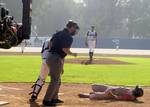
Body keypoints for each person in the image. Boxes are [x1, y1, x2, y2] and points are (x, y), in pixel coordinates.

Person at [42, 20, 79, 106]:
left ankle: (54, 98)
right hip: (56, 58)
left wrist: (52, 52)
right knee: (55, 80)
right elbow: (64, 49)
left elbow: (50, 43)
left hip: (51, 57)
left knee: (57, 80)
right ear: (72, 27)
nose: (75, 31)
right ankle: (47, 100)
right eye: (75, 28)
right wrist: (73, 54)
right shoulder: (69, 37)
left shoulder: (58, 33)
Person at [78, 84, 143, 101]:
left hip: (110, 94)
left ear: (136, 92)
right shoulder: (131, 92)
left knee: (93, 96)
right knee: (94, 86)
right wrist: (111, 88)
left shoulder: (130, 97)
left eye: (136, 89)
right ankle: (97, 93)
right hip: (111, 88)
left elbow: (117, 98)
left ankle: (87, 95)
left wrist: (109, 93)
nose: (134, 88)